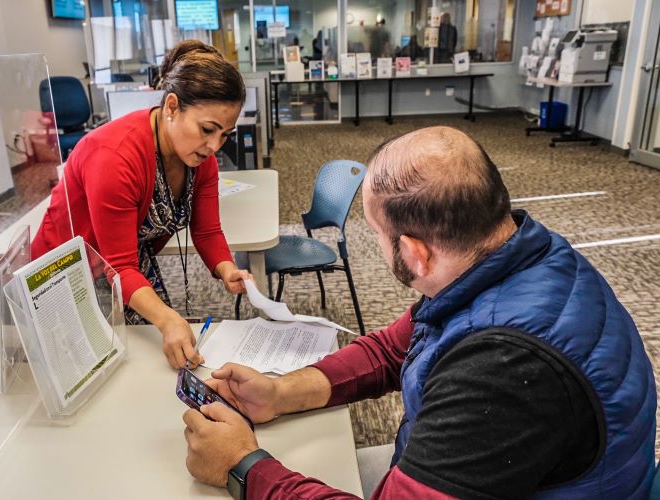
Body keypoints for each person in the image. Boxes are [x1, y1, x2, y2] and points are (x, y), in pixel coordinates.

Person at [181, 126, 657, 498]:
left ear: (414, 253)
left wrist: (243, 465)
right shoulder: (510, 253)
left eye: (377, 236)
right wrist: (282, 392)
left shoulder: (502, 371)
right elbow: (393, 348)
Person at [32, 40, 252, 370]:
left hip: (126, 265)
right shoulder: (115, 157)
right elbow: (118, 267)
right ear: (172, 107)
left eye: (225, 134)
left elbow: (206, 230)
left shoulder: (200, 158)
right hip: (66, 272)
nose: (214, 145)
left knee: (145, 364)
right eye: (207, 129)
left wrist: (226, 268)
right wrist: (166, 319)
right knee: (85, 370)